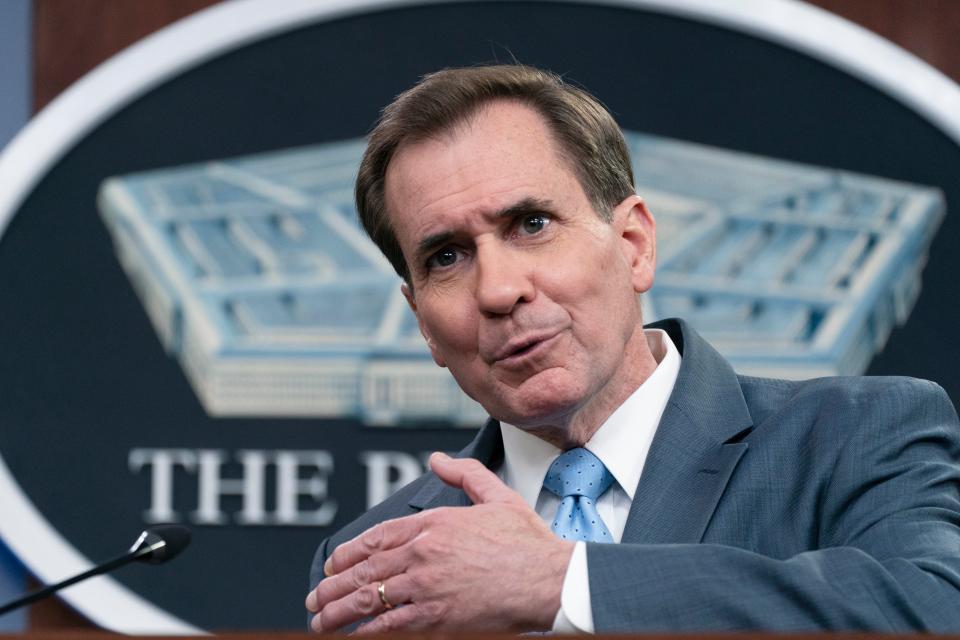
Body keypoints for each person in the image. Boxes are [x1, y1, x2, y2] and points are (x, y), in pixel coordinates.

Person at [305, 64, 960, 633]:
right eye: (446, 257)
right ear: (422, 321)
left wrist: (563, 585)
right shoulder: (379, 558)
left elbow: (931, 611)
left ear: (633, 245)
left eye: (531, 224)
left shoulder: (852, 437)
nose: (499, 290)